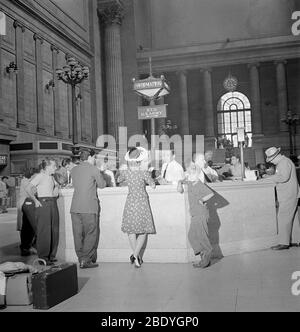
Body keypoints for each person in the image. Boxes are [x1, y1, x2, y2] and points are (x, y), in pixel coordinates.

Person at [117, 147, 156, 268]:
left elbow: (118, 180)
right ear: (139, 161)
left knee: (131, 231)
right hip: (142, 203)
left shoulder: (126, 173)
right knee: (143, 231)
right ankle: (135, 255)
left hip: (130, 203)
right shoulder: (143, 172)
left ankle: (136, 256)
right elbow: (153, 185)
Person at [70, 150, 106, 269]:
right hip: (89, 207)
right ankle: (86, 260)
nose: (94, 159)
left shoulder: (74, 170)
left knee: (78, 234)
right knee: (90, 234)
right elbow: (102, 185)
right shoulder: (93, 169)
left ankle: (81, 258)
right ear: (90, 157)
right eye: (94, 157)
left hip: (75, 207)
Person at [177, 160, 214, 268]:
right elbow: (179, 189)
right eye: (188, 172)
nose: (188, 174)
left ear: (196, 173)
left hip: (201, 214)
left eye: (190, 172)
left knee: (202, 238)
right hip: (195, 214)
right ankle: (204, 255)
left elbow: (211, 194)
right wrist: (180, 182)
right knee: (192, 235)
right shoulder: (190, 183)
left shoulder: (198, 184)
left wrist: (202, 200)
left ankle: (205, 258)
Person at [263, 147, 300, 250]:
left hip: (287, 195)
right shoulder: (285, 162)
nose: (271, 162)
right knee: (291, 218)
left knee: (283, 218)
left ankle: (284, 243)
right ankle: (295, 240)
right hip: (291, 194)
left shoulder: (283, 162)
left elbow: (284, 177)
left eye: (271, 160)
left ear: (275, 156)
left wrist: (269, 177)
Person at [30, 159, 60, 265]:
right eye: (54, 166)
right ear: (47, 167)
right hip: (43, 203)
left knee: (54, 230)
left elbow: (56, 188)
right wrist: (35, 200)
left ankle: (51, 256)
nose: (55, 168)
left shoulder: (51, 177)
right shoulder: (40, 176)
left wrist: (56, 187)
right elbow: (28, 188)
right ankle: (43, 257)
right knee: (44, 231)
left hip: (52, 203)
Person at [17, 168, 39, 256]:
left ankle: (28, 246)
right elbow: (31, 192)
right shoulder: (25, 181)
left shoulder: (29, 181)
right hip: (25, 205)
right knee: (26, 227)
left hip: (28, 205)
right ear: (32, 174)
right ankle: (25, 247)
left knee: (29, 227)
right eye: (36, 175)